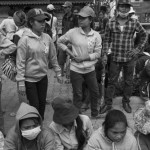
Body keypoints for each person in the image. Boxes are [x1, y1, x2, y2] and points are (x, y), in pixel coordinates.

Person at [100, 0, 148, 114]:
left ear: (129, 9)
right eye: (122, 7)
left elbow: (144, 35)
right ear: (117, 8)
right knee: (112, 82)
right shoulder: (110, 22)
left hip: (129, 59)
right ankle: (108, 104)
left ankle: (126, 102)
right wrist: (105, 54)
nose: (124, 9)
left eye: (126, 7)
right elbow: (106, 40)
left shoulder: (134, 22)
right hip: (115, 58)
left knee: (128, 81)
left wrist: (137, 49)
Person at [16, 8, 62, 120]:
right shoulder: (24, 40)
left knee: (42, 104)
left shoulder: (47, 38)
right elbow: (20, 62)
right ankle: (33, 126)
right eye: (39, 21)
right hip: (29, 80)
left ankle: (40, 125)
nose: (43, 24)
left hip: (42, 78)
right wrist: (21, 82)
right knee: (34, 105)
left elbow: (52, 56)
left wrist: (58, 71)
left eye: (44, 21)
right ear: (31, 22)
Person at [57, 6, 102, 118]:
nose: (80, 20)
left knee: (95, 92)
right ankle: (76, 116)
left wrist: (84, 58)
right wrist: (70, 53)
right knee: (77, 94)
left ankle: (95, 114)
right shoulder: (73, 32)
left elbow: (97, 53)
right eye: (79, 18)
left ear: (90, 20)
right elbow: (59, 42)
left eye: (83, 18)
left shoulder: (96, 35)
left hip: (90, 69)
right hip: (75, 69)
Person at [58, 1, 76, 76]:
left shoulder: (75, 18)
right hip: (64, 39)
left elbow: (76, 30)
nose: (64, 9)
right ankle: (61, 72)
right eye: (64, 7)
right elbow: (63, 28)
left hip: (71, 41)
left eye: (66, 7)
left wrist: (71, 42)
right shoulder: (64, 17)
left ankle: (69, 75)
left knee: (70, 58)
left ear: (70, 8)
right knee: (61, 56)